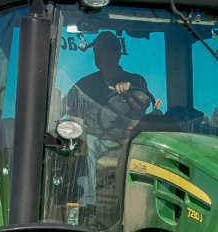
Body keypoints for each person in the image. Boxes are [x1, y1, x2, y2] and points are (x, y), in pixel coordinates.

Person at [62, 33, 152, 216]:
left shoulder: (134, 81)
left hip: (123, 144)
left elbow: (140, 105)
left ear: (117, 53)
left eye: (102, 51)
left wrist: (127, 94)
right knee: (82, 141)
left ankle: (90, 202)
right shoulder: (86, 83)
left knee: (90, 141)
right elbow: (63, 107)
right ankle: (85, 206)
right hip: (92, 142)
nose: (97, 56)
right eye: (95, 52)